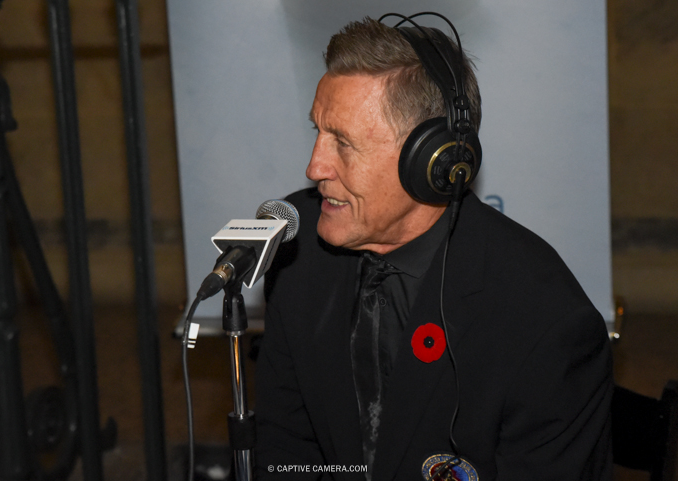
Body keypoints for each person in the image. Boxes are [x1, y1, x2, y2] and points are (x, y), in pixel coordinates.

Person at [253, 15, 613, 481]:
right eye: (318, 132)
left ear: (429, 159)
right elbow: (287, 454)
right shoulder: (299, 248)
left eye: (343, 143)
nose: (314, 166)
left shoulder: (546, 321)